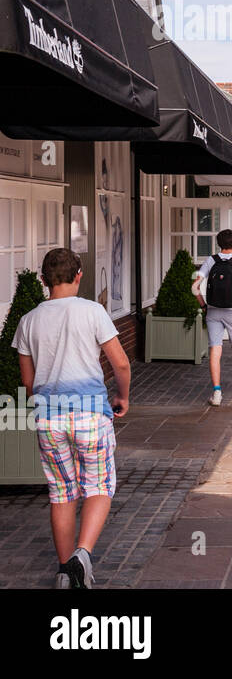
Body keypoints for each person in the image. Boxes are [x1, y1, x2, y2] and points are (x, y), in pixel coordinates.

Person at [14, 248, 130, 589]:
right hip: (90, 414)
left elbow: (28, 382)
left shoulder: (28, 320)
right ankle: (82, 555)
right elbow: (121, 363)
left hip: (50, 418)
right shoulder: (93, 311)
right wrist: (122, 396)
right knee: (98, 486)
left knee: (61, 492)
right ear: (79, 276)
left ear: (43, 280)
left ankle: (65, 572)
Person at [197, 228, 232, 406]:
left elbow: (194, 286)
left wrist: (203, 305)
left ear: (219, 244)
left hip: (213, 311)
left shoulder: (211, 260)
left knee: (215, 349)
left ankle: (217, 393)